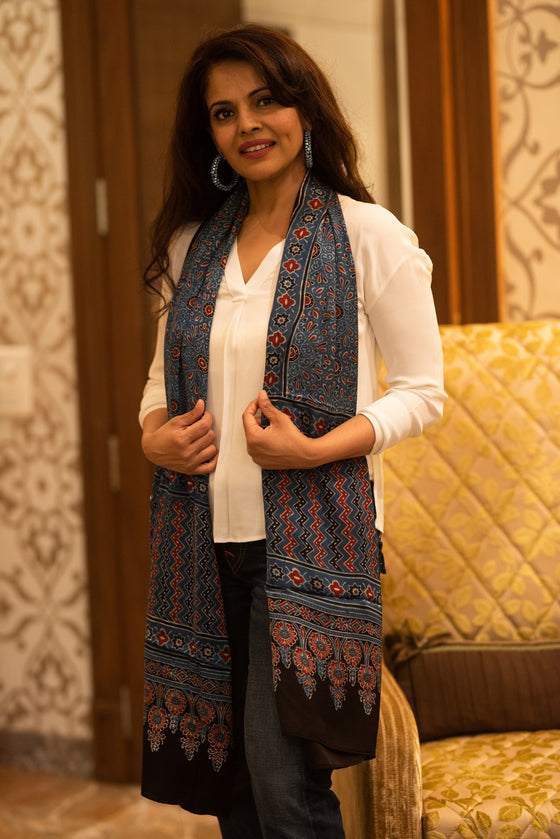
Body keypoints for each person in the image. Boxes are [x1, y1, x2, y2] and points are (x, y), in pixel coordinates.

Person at [139, 23, 445, 839]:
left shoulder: (367, 234)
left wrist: (313, 449)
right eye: (224, 112)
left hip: (310, 546)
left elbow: (424, 393)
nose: (248, 124)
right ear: (208, 134)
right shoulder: (191, 247)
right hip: (201, 544)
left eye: (265, 100)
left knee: (285, 788)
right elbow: (157, 385)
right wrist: (153, 437)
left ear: (304, 107)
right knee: (232, 787)